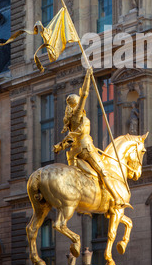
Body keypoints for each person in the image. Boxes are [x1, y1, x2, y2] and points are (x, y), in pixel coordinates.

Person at [54, 67, 129, 209]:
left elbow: (71, 136)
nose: (82, 105)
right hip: (86, 149)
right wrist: (88, 76)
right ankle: (117, 198)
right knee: (104, 171)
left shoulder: (70, 119)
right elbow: (85, 94)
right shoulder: (77, 116)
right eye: (79, 102)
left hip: (74, 152)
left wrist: (61, 145)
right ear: (76, 105)